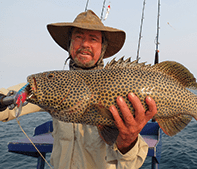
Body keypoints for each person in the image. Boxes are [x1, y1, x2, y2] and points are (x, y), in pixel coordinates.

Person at [0, 10, 157, 169]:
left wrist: (128, 142)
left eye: (93, 39)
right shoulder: (54, 88)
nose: (85, 44)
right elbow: (10, 100)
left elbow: (132, 164)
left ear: (102, 47)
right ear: (70, 43)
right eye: (78, 37)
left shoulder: (119, 84)